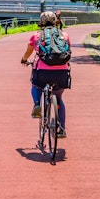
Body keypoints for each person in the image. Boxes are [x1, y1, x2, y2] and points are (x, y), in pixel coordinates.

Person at [20, 10, 71, 138]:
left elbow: (28, 52)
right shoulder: (64, 35)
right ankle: (61, 129)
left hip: (42, 72)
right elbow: (68, 54)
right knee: (59, 98)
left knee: (35, 86)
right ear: (55, 21)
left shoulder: (36, 36)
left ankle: (37, 104)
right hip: (62, 73)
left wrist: (24, 60)